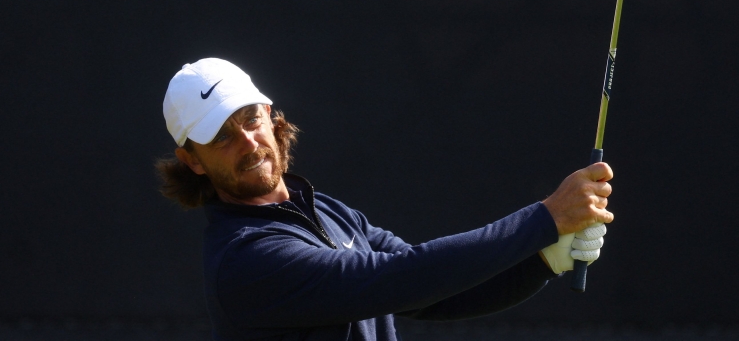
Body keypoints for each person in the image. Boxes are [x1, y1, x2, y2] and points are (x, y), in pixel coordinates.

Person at [156, 58, 613, 341]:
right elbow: (398, 277)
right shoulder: (245, 259)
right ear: (192, 160)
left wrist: (543, 262)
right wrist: (545, 219)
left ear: (272, 116)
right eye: (221, 137)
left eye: (251, 119)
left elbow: (432, 297)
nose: (250, 143)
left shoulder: (326, 210)